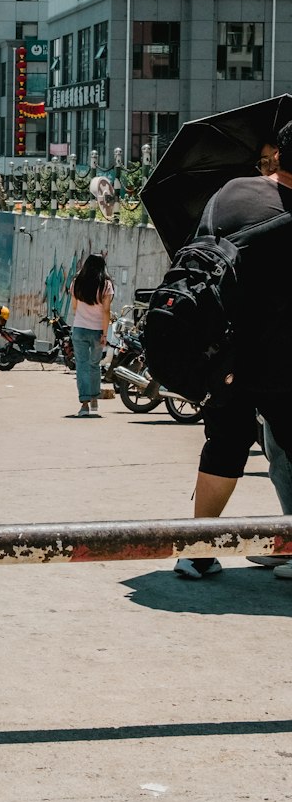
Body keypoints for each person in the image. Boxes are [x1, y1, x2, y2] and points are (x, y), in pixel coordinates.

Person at [174, 119, 292, 579]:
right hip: (280, 359)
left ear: (277, 154)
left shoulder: (230, 192)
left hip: (221, 353)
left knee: (223, 446)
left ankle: (196, 549)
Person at [69, 255, 113, 417]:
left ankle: (85, 404)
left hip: (79, 329)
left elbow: (74, 307)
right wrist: (104, 333)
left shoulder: (77, 282)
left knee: (82, 365)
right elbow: (106, 311)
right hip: (97, 331)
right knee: (94, 365)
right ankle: (94, 398)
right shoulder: (106, 285)